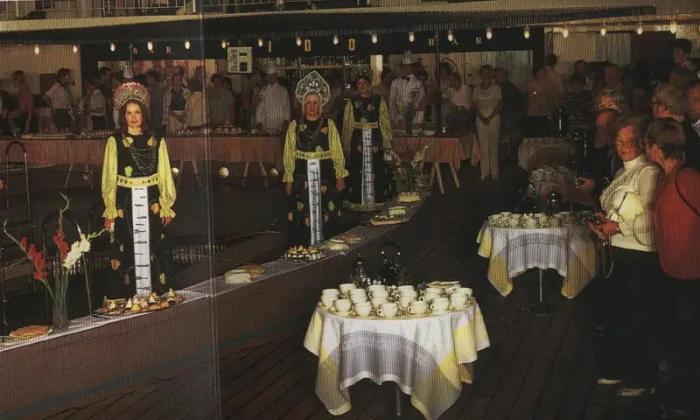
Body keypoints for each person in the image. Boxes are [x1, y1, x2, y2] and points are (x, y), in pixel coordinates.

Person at [587, 114, 660, 395]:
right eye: (618, 141)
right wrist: (604, 221)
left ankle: (641, 377)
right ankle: (618, 367)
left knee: (637, 315)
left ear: (641, 141)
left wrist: (617, 227)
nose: (623, 146)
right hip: (619, 251)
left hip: (639, 254)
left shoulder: (648, 172)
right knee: (618, 313)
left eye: (629, 140)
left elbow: (651, 217)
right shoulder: (622, 172)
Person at [645, 119, 700, 416]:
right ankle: (677, 394)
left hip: (692, 274)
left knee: (689, 340)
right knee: (677, 336)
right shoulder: (664, 177)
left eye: (647, 143)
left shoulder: (687, 177)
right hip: (670, 270)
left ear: (656, 147)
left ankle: (688, 401)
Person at [101, 82, 176, 298]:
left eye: (137, 112)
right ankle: (128, 296)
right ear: (123, 116)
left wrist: (166, 206)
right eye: (128, 113)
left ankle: (156, 294)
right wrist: (110, 210)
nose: (133, 118)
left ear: (144, 114)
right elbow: (109, 177)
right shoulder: (115, 141)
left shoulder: (157, 140)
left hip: (152, 201)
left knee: (154, 243)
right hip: (125, 203)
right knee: (127, 245)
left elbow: (164, 174)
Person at [283, 71, 347, 246]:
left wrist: (340, 175)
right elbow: (289, 153)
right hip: (301, 174)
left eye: (315, 103)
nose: (312, 106)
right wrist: (289, 178)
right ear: (304, 105)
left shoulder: (329, 125)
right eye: (308, 103)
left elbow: (337, 151)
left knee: (327, 209)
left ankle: (328, 244)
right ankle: (303, 245)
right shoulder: (294, 126)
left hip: (325, 174)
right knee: (301, 210)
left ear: (321, 105)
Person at [342, 70, 394, 210]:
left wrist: (387, 141)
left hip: (375, 137)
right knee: (357, 167)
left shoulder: (378, 100)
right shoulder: (352, 102)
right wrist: (346, 145)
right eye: (359, 84)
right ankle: (358, 201)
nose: (362, 86)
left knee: (377, 166)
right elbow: (347, 125)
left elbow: (384, 122)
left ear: (369, 84)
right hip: (358, 138)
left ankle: (377, 200)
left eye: (364, 83)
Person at [652, 83, 700, 168]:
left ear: (665, 107)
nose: (652, 108)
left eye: (654, 104)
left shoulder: (680, 134)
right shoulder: (684, 127)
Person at [473, 65, 502, 180]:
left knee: (493, 145)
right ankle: (484, 172)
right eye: (483, 73)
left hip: (493, 117)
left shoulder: (496, 88)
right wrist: (482, 117)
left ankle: (494, 172)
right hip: (480, 118)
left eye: (487, 72)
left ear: (490, 74)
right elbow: (475, 105)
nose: (485, 75)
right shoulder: (476, 89)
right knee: (483, 145)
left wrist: (490, 117)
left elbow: (499, 104)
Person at [389, 53, 424, 132]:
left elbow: (421, 102)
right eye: (404, 66)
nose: (406, 68)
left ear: (411, 67)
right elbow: (392, 101)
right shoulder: (395, 82)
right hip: (399, 114)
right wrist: (393, 119)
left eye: (408, 66)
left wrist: (419, 120)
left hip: (414, 115)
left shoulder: (418, 83)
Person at [495, 67, 524, 153]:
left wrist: (519, 110)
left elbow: (519, 100)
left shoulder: (511, 87)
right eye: (497, 75)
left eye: (501, 75)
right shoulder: (494, 87)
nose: (500, 77)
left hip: (509, 115)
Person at [255, 63, 291, 132]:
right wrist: (259, 122)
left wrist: (286, 121)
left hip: (280, 125)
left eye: (273, 75)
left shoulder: (283, 90)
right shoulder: (262, 91)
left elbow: (286, 107)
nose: (271, 78)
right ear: (266, 77)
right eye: (269, 76)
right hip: (265, 126)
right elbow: (259, 108)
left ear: (276, 76)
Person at [524, 65, 554, 137]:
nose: (542, 74)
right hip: (532, 112)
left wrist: (537, 91)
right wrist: (537, 91)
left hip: (544, 112)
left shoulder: (548, 83)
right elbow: (530, 94)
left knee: (544, 134)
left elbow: (549, 94)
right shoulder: (530, 82)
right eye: (540, 72)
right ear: (536, 73)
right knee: (532, 134)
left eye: (543, 72)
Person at [43, 68, 76, 132]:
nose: (69, 78)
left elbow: (69, 101)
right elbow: (45, 97)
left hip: (66, 111)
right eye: (68, 76)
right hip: (59, 111)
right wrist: (52, 106)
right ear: (63, 77)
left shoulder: (65, 87)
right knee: (62, 129)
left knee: (67, 129)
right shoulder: (56, 86)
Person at [145, 70, 164, 137]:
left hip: (156, 112)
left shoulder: (158, 87)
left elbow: (155, 102)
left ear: (153, 78)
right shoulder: (152, 87)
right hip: (153, 112)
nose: (147, 79)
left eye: (148, 78)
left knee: (156, 131)